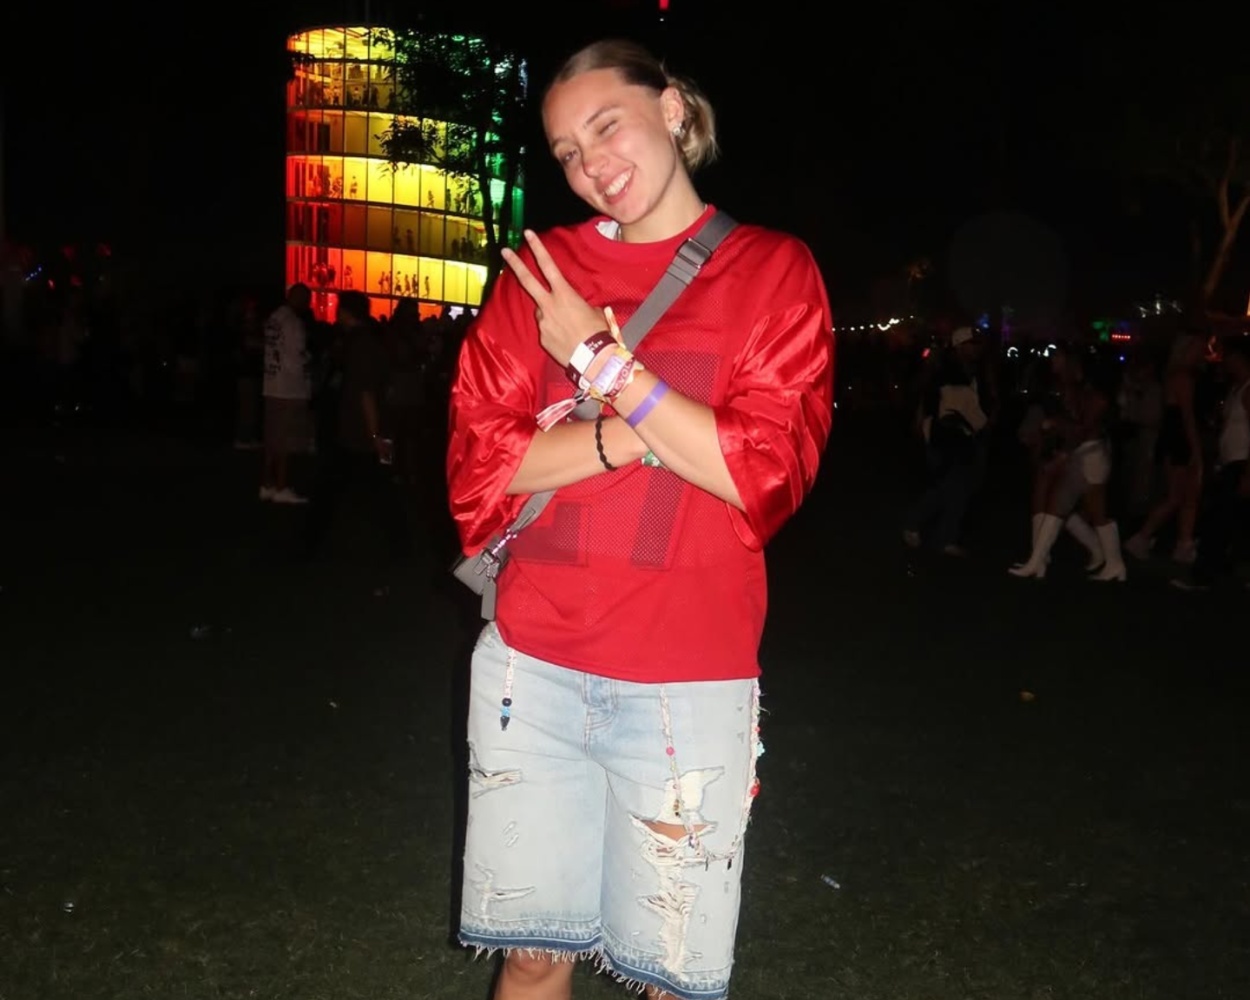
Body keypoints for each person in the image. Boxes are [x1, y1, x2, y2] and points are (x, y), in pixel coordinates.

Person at [445, 38, 835, 1000]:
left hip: (686, 683)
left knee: (668, 980)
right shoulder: (542, 274)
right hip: (530, 668)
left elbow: (764, 473)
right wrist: (642, 434)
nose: (590, 163)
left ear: (671, 109)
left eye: (605, 126)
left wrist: (604, 366)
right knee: (532, 955)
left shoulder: (771, 270)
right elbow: (481, 468)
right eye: (567, 151)